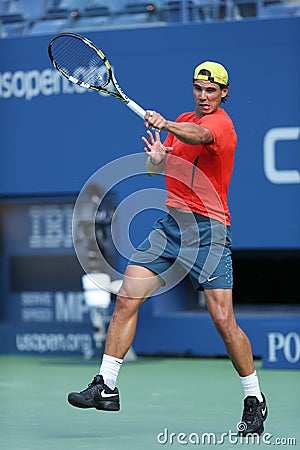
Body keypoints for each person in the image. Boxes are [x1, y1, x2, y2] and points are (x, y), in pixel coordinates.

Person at [68, 61, 268, 436]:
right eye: (198, 89)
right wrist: (156, 160)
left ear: (224, 93)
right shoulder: (182, 119)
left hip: (208, 233)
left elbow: (196, 135)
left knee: (224, 321)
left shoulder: (220, 125)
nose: (204, 96)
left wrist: (167, 125)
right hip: (170, 227)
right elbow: (161, 169)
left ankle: (254, 399)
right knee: (127, 297)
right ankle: (106, 385)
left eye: (211, 91)